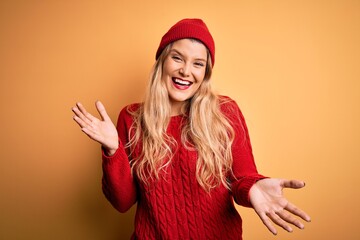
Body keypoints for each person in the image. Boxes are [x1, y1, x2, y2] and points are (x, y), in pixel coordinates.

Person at [72, 18, 311, 240]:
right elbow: (123, 203)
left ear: (205, 73)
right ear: (162, 62)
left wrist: (254, 187)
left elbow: (242, 178)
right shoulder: (131, 118)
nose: (186, 71)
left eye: (198, 63)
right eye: (177, 58)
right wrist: (113, 150)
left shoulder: (224, 112)